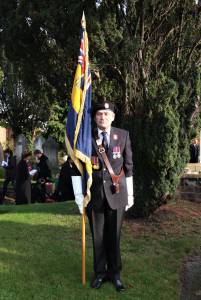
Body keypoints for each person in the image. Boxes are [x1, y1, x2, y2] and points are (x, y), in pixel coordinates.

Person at [72, 101, 134, 292]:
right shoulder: (85, 138)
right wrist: (78, 196)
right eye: (99, 114)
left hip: (117, 194)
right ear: (94, 117)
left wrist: (130, 193)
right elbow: (76, 167)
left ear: (113, 117)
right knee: (98, 238)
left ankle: (115, 274)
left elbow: (129, 166)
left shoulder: (122, 135)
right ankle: (100, 273)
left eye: (107, 114)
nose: (103, 117)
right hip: (94, 195)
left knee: (114, 237)